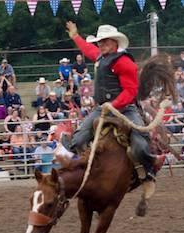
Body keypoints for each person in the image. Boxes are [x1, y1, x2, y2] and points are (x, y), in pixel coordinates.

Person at [65, 21, 165, 182]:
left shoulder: (124, 62)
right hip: (102, 108)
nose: (101, 44)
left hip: (125, 109)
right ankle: (88, 169)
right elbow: (87, 48)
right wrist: (75, 36)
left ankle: (150, 165)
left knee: (140, 143)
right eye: (100, 41)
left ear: (115, 42)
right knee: (78, 140)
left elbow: (130, 91)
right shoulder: (100, 57)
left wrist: (113, 105)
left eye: (105, 41)